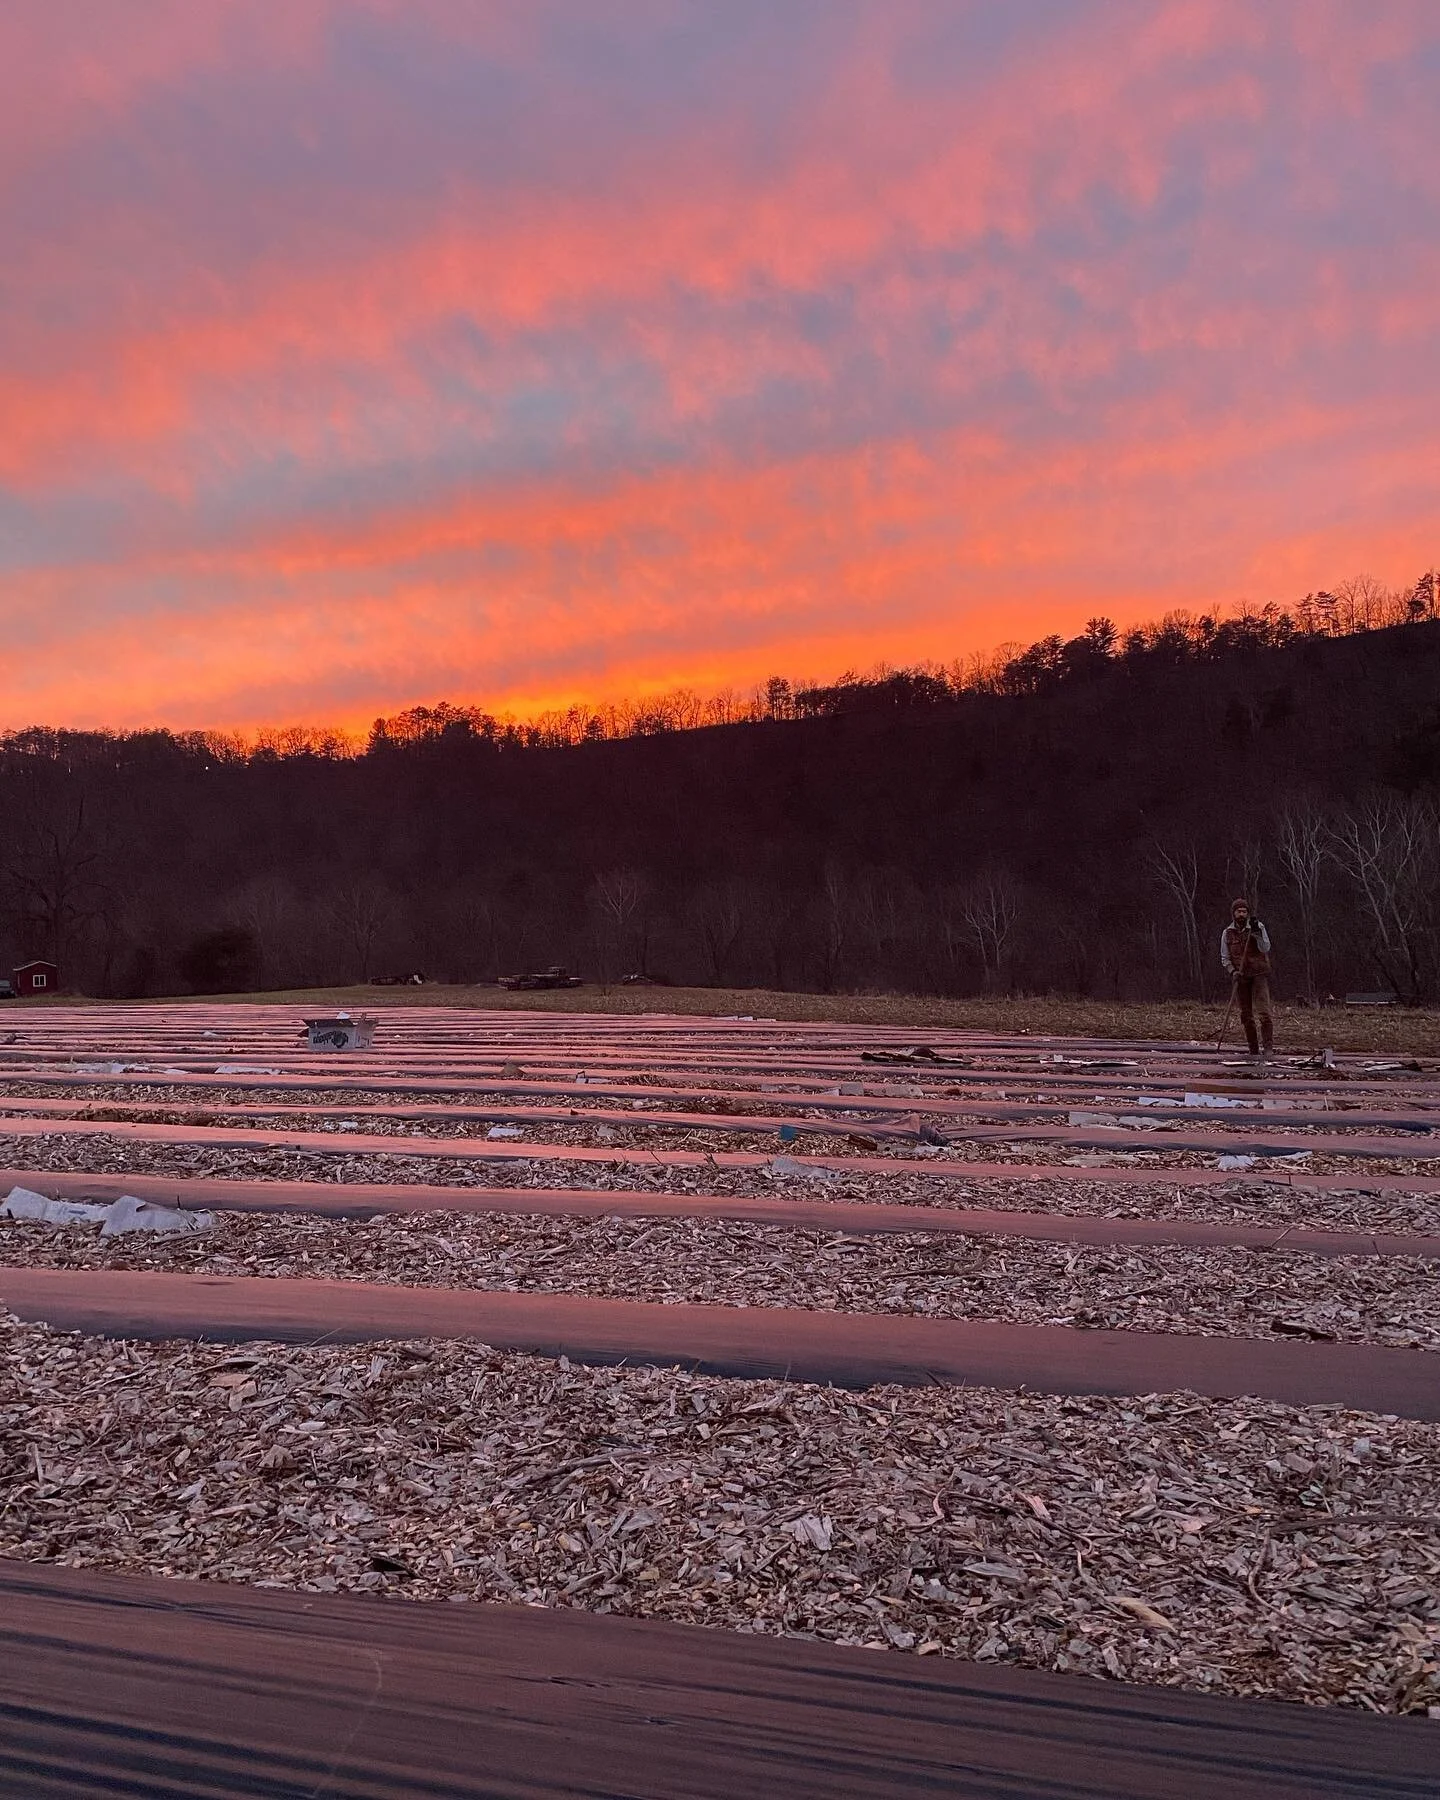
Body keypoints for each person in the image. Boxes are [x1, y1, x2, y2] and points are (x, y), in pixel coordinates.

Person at [1221, 897, 1273, 1057]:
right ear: (1233, 914)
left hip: (1258, 974)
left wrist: (1257, 934)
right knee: (1246, 1014)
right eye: (1239, 911)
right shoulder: (1227, 933)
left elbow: (1266, 947)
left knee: (1263, 1012)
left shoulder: (1257, 927)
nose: (1242, 914)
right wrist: (1232, 971)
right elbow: (1224, 957)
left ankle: (1268, 1047)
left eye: (1244, 911)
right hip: (1241, 976)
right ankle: (1253, 1049)